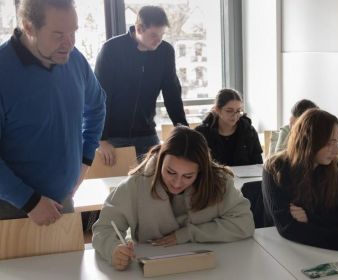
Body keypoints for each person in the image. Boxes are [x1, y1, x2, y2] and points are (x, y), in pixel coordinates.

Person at [0, 0, 106, 225]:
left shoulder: (74, 59)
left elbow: (96, 108)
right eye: (58, 35)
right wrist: (30, 202)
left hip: (62, 201)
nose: (69, 43)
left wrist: (86, 160)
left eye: (73, 32)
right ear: (29, 27)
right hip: (11, 208)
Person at [92, 126, 255, 270]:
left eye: (188, 176)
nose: (177, 183)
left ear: (201, 172)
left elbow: (244, 223)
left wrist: (189, 234)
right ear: (161, 160)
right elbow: (103, 228)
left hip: (207, 266)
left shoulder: (218, 182)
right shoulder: (136, 184)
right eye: (170, 172)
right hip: (152, 268)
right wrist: (113, 249)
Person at [262, 109, 338, 251]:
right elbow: (288, 227)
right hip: (281, 248)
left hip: (317, 245)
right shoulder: (275, 168)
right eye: (329, 143)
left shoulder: (331, 164)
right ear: (308, 140)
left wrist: (310, 217)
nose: (337, 151)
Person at [95, 5, 188, 164]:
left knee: (152, 185)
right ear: (139, 28)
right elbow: (101, 96)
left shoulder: (165, 52)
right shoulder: (112, 49)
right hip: (113, 137)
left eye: (162, 34)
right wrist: (101, 139)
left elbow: (171, 91)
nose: (158, 40)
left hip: (147, 133)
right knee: (118, 186)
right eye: (153, 35)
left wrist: (182, 127)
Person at [195, 88, 263, 166]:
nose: (235, 116)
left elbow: (258, 164)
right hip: (214, 178)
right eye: (229, 111)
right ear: (218, 109)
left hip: (246, 178)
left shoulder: (249, 131)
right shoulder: (202, 133)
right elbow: (196, 165)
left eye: (238, 111)